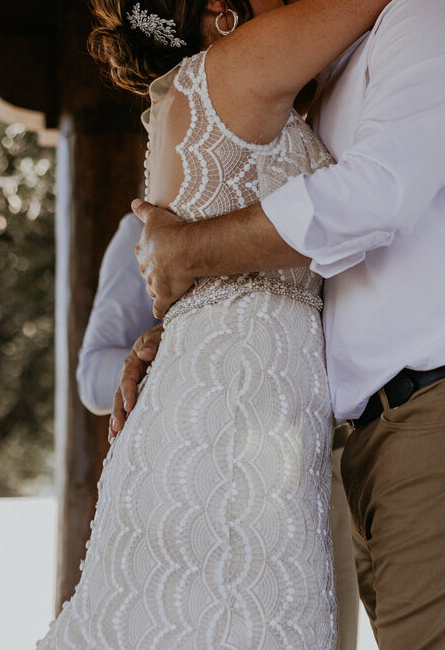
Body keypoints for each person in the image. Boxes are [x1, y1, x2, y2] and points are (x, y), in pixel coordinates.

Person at [37, 0, 445, 649]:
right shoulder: (241, 66)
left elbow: (389, 38)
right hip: (245, 406)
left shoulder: (246, 86)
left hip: (260, 400)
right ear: (215, 8)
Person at [74, 212, 361, 650]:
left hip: (320, 465)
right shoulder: (144, 228)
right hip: (196, 470)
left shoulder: (308, 209)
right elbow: (93, 373)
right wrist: (194, 346)